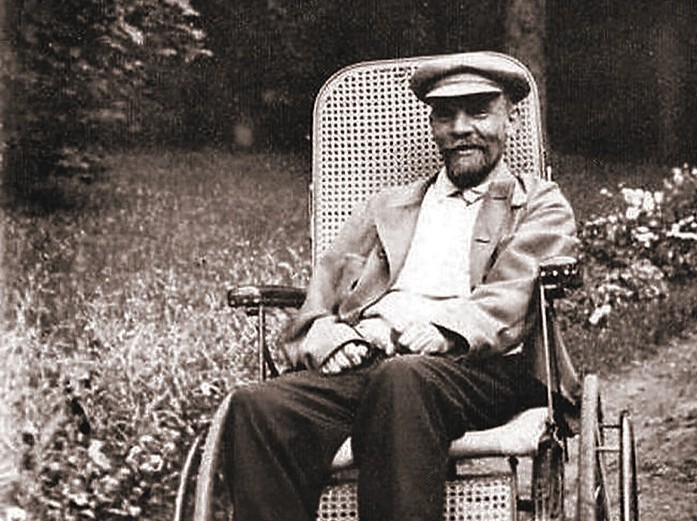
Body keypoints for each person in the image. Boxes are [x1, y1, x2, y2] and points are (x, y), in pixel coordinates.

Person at [223, 52, 579, 521]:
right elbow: (322, 295)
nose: (460, 128)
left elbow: (513, 295)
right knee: (256, 406)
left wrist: (446, 328)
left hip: (480, 368)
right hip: (374, 365)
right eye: (445, 115)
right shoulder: (387, 207)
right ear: (433, 125)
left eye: (478, 111)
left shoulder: (537, 203)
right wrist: (333, 339)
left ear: (509, 119)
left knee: (402, 378)